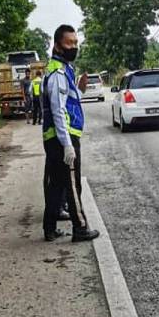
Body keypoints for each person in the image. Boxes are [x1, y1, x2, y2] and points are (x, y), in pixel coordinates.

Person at [41, 24, 99, 243]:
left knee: (56, 184)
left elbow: (68, 102)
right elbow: (58, 110)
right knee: (73, 184)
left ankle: (49, 227)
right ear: (57, 46)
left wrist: (80, 89)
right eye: (69, 43)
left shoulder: (63, 69)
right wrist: (67, 144)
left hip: (55, 137)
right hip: (62, 138)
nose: (74, 47)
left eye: (75, 43)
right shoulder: (57, 72)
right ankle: (80, 228)